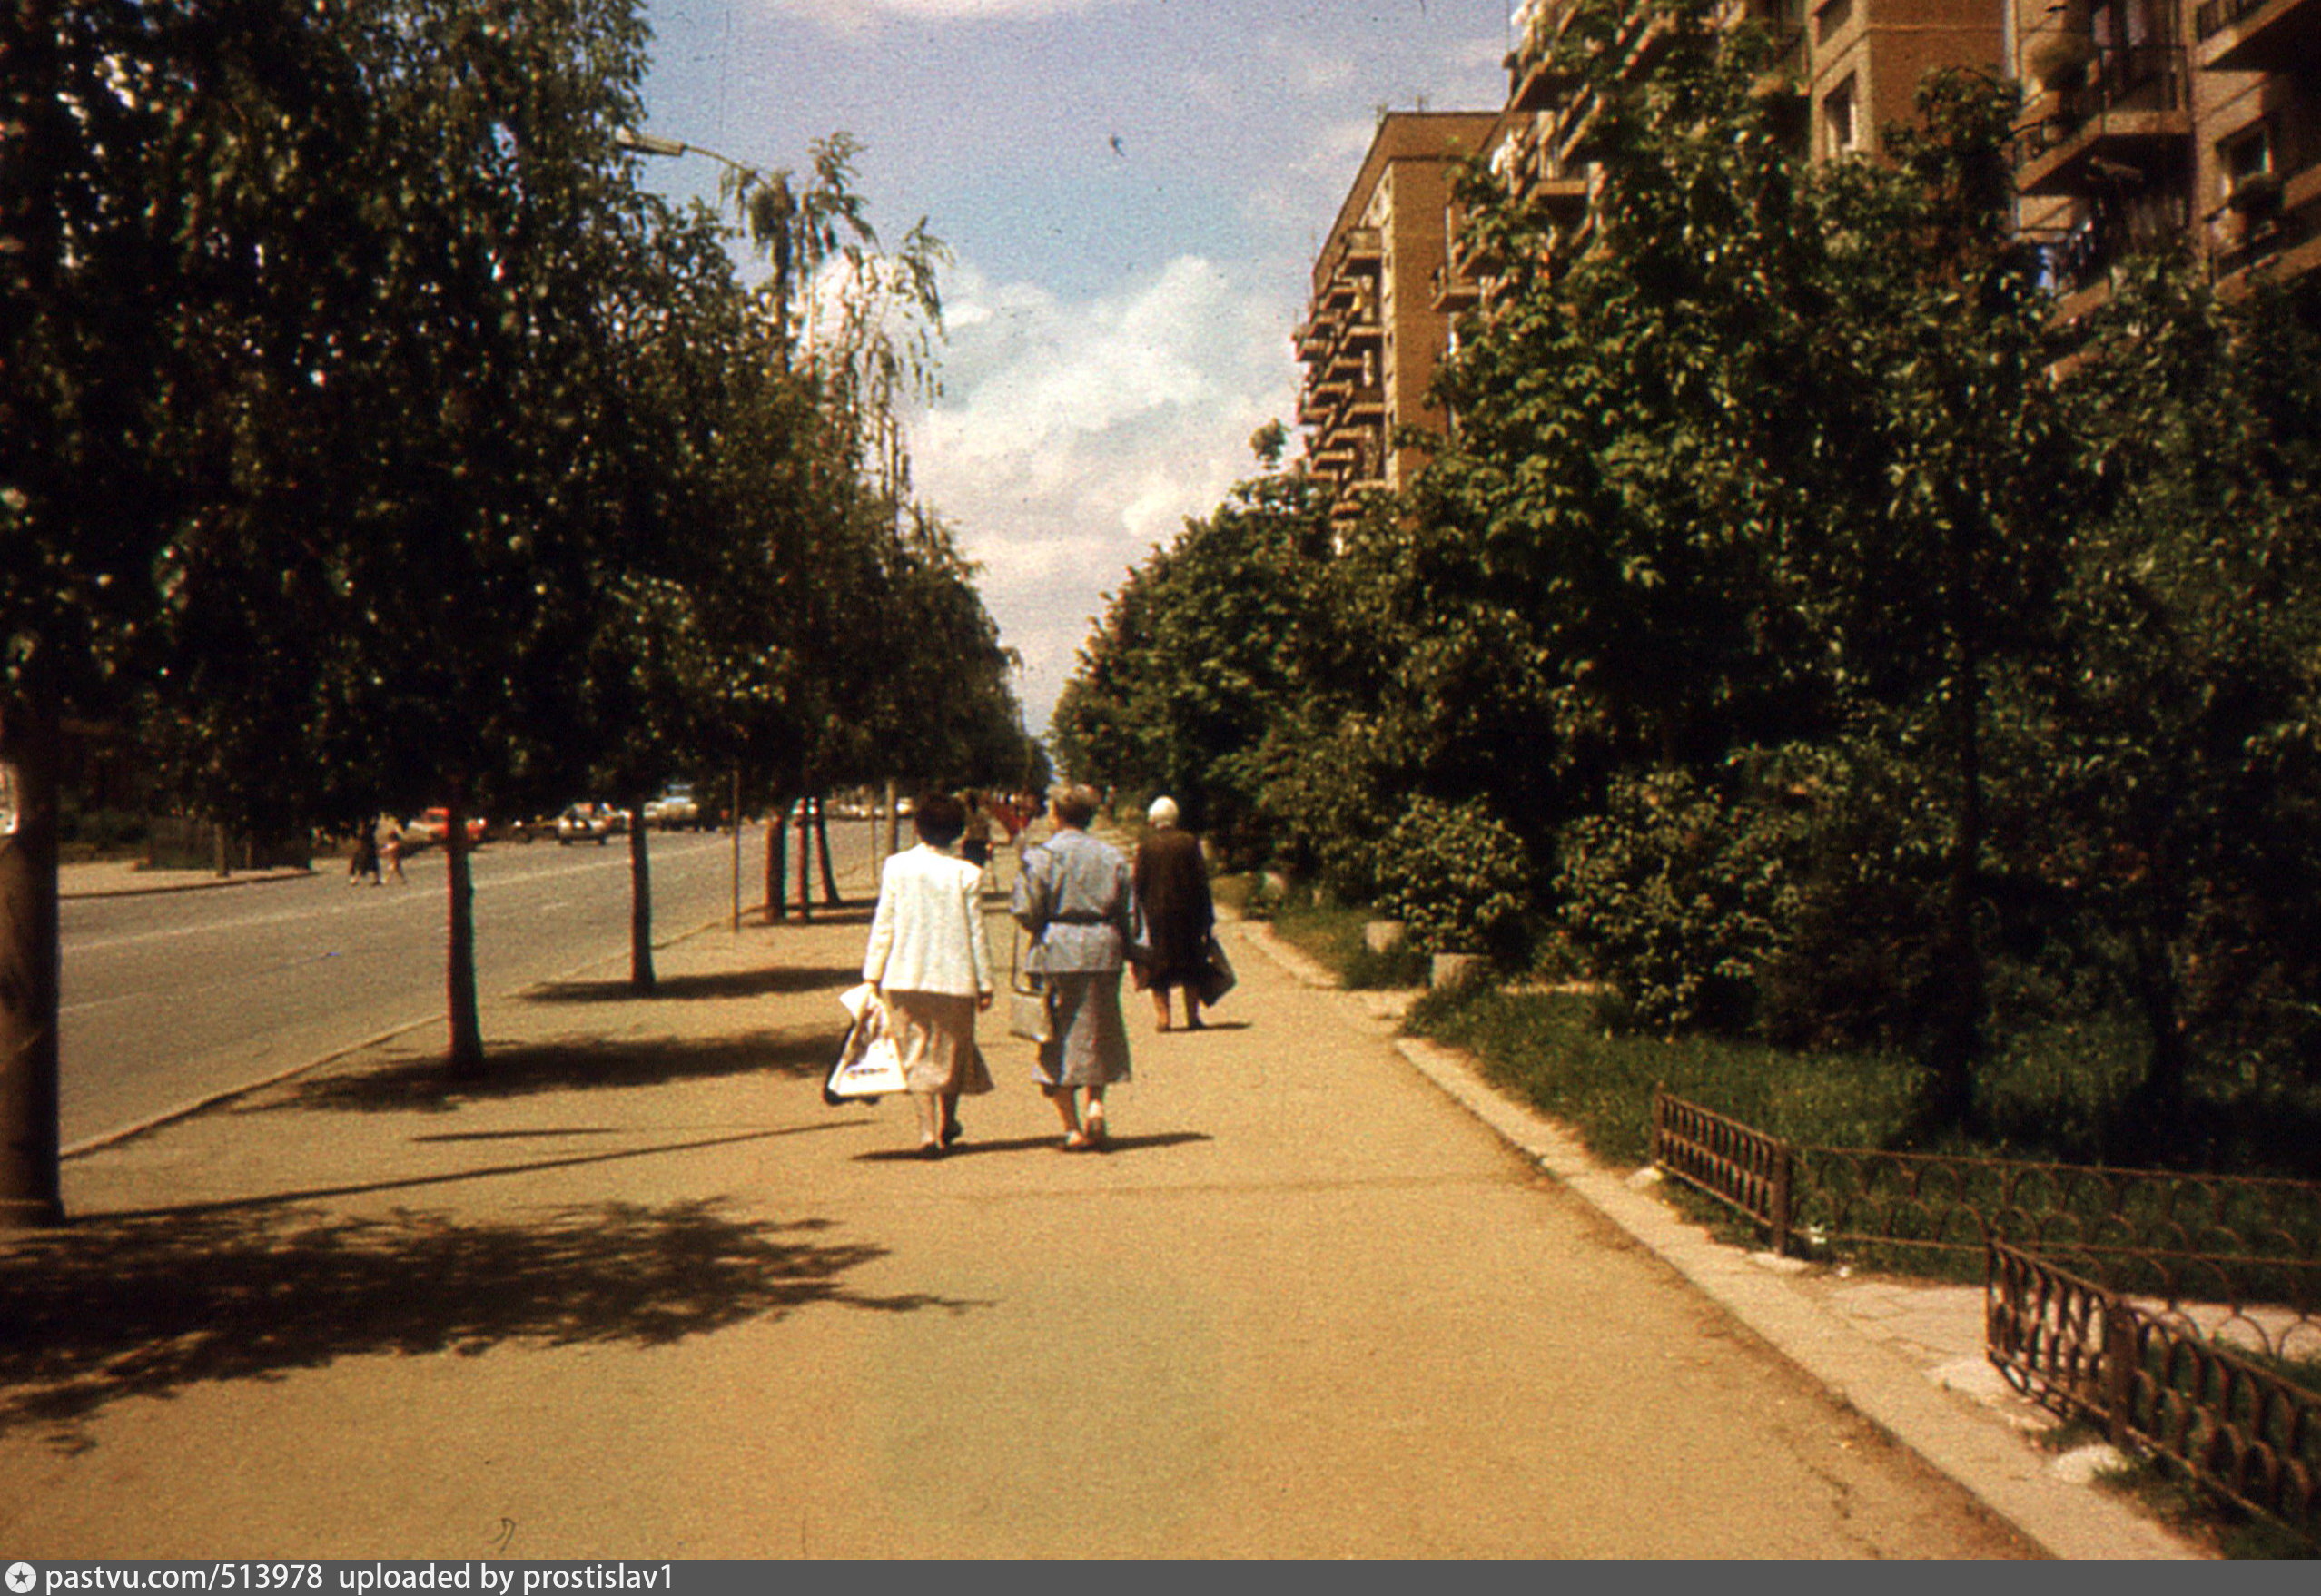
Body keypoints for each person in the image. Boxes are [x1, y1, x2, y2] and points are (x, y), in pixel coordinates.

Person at [862, 792, 996, 1159]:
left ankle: (926, 1130)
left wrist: (872, 974)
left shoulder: (896, 867)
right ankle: (947, 1122)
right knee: (950, 1051)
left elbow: (884, 924)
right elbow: (975, 933)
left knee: (915, 1051)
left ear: (918, 828)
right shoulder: (967, 874)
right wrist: (985, 983)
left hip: (903, 975)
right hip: (955, 979)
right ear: (956, 833)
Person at [1012, 783, 1146, 1151]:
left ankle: (1071, 1127)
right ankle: (1097, 1105)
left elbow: (1026, 909)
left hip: (1058, 948)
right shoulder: (1111, 856)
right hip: (1104, 948)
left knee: (1056, 1033)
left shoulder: (1042, 857)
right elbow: (1129, 911)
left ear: (1055, 814)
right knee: (1098, 1028)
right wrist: (1138, 954)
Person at [1132, 795, 1215, 1031]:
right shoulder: (1189, 842)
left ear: (1153, 819)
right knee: (1192, 964)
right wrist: (1207, 916)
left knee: (1159, 966)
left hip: (1157, 913)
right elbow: (1201, 880)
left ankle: (1164, 1018)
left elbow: (1139, 883)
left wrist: (1138, 916)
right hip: (1188, 912)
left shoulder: (1147, 846)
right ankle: (1192, 1016)